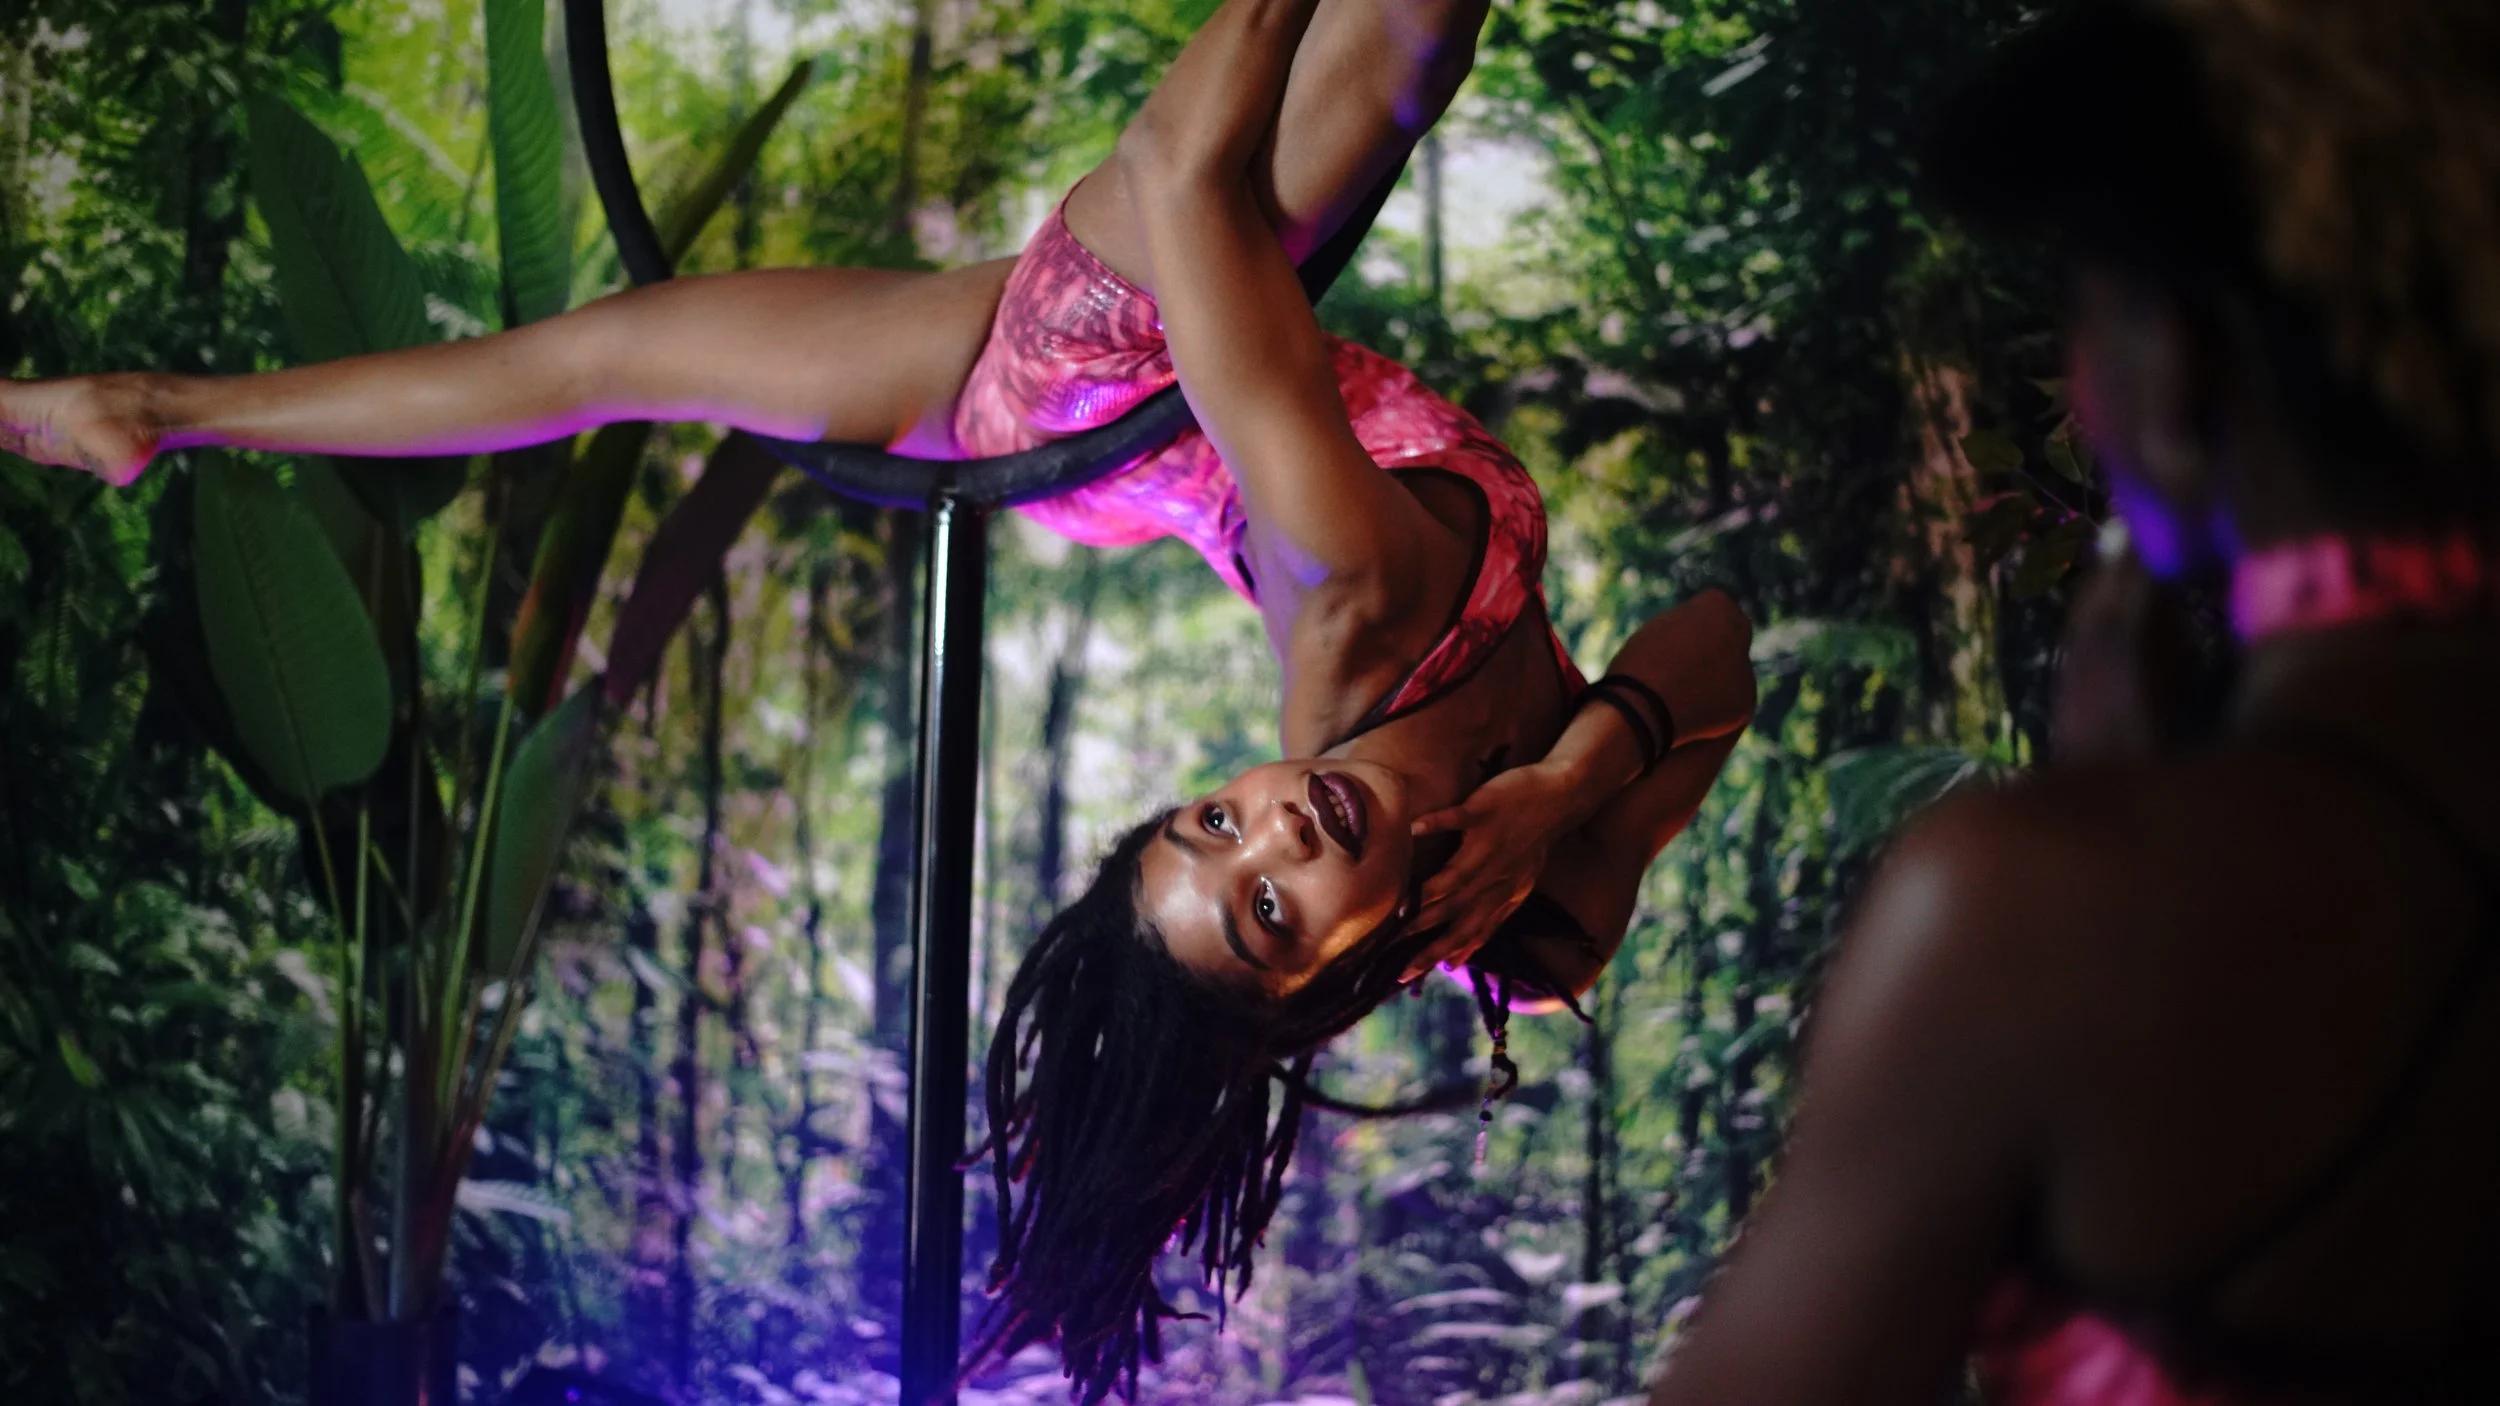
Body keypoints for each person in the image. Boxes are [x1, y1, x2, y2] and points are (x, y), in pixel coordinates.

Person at [0, 0, 1755, 1398]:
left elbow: (1179, 165)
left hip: (1082, 374)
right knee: (1416, 47)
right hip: (1160, 444)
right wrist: (1562, 785)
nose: (1273, 822)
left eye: (1209, 825)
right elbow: (1718, 643)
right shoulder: (1531, 926)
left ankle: (154, 406)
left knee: (607, 356)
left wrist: (1572, 766)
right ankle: (155, 405)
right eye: (1270, 902)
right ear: (1328, 986)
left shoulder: (1352, 599)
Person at [1640, 2, 2500, 1403]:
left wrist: (2090, 835)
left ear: (2183, 366)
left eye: (2086, 314)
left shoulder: (2047, 903)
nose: (2080, 389)